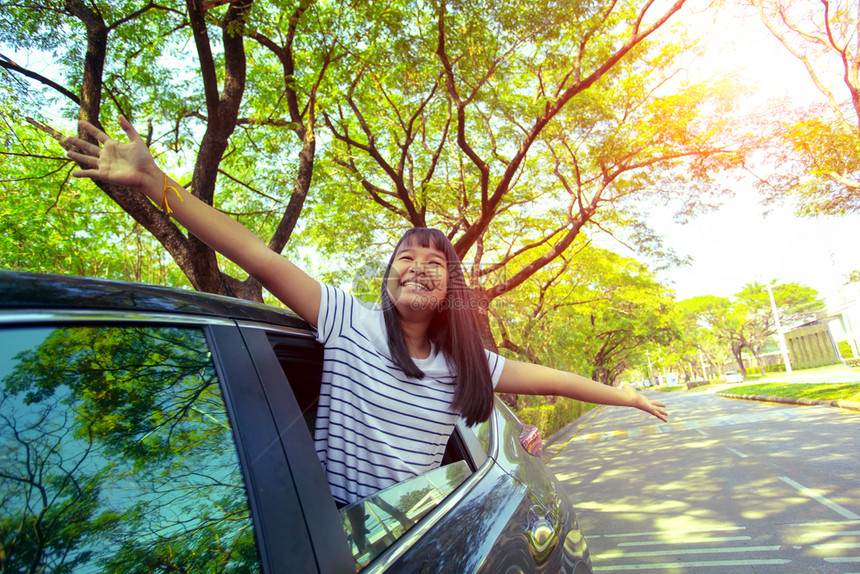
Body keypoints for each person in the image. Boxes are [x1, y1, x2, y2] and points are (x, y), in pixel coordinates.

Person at [66, 116, 668, 507]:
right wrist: (156, 182)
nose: (418, 267)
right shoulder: (345, 318)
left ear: (450, 289)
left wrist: (630, 397)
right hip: (340, 535)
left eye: (436, 263)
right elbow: (250, 250)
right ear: (389, 275)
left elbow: (555, 380)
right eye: (406, 256)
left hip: (415, 532)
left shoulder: (465, 364)